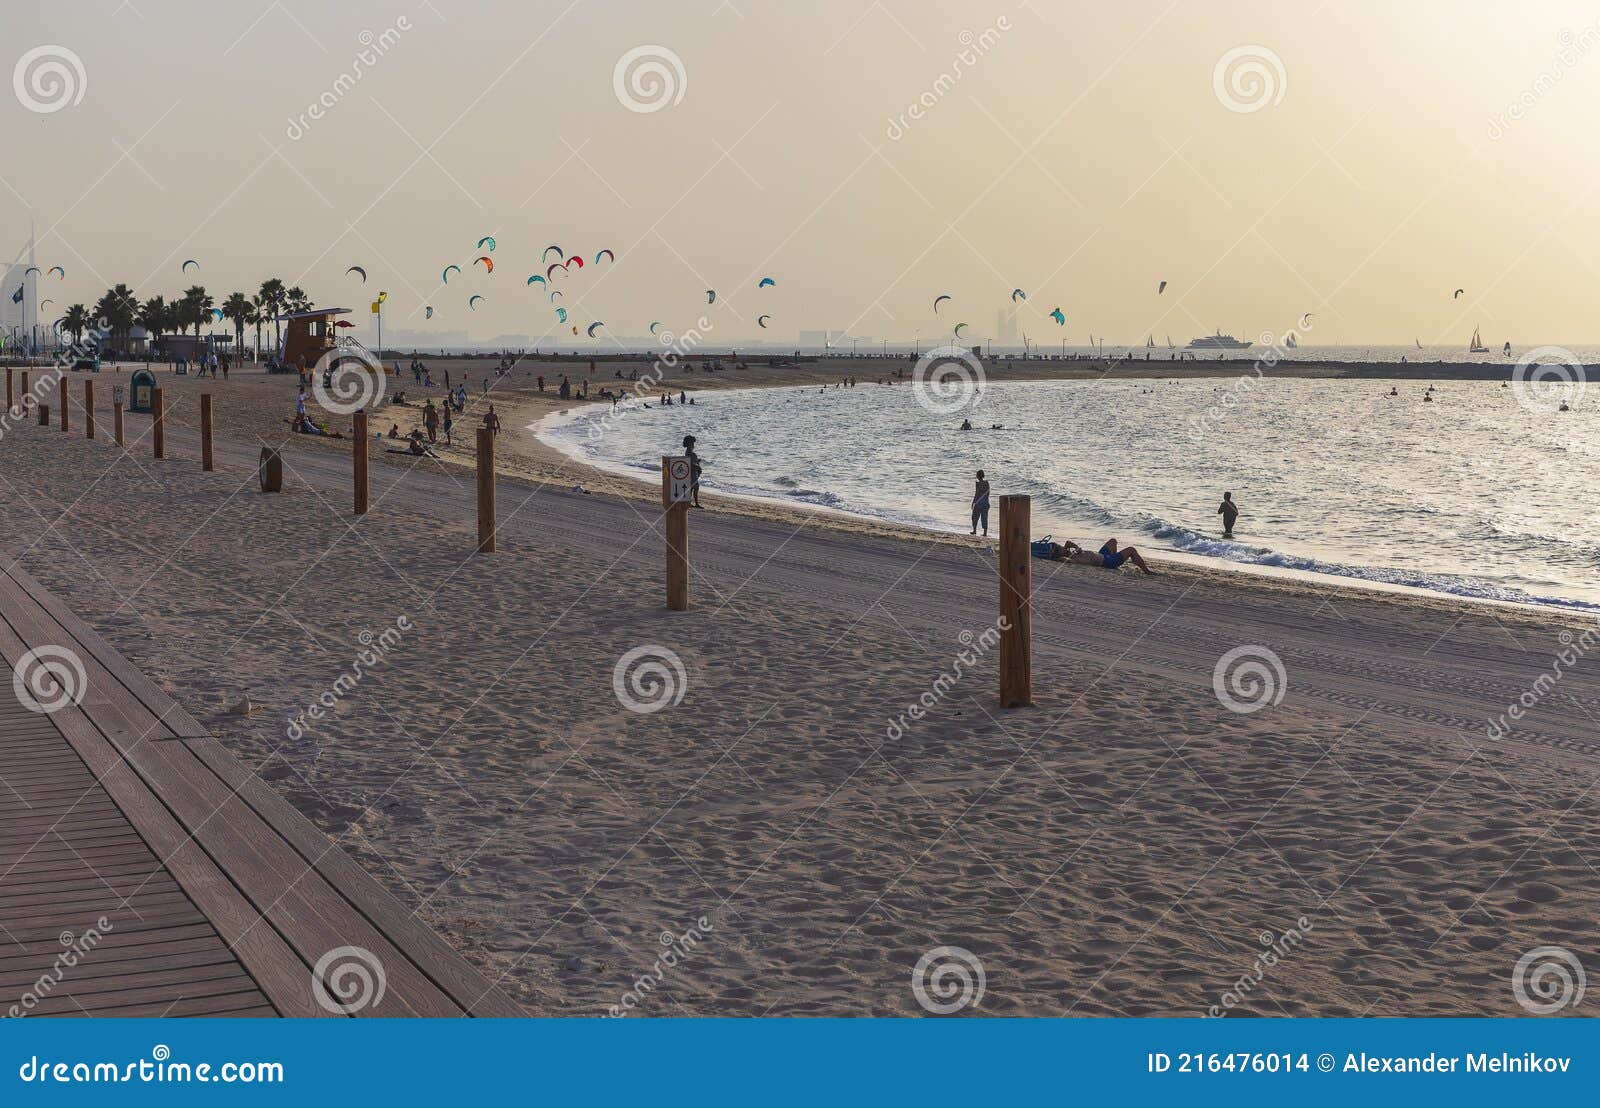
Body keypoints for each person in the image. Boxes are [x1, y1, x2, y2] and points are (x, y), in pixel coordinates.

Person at [683, 434, 703, 508]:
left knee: (692, 488)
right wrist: (698, 467)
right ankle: (696, 503)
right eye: (692, 443)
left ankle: (690, 502)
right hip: (692, 472)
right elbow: (690, 463)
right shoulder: (689, 452)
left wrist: (697, 461)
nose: (693, 445)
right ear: (690, 443)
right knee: (695, 488)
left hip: (693, 472)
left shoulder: (689, 451)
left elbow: (691, 461)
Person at [971, 470, 990, 537]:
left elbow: (976, 494)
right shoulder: (987, 483)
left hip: (979, 503)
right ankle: (985, 533)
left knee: (975, 517)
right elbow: (988, 493)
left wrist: (973, 502)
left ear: (977, 476)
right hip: (986, 502)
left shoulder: (978, 484)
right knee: (984, 517)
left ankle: (974, 530)